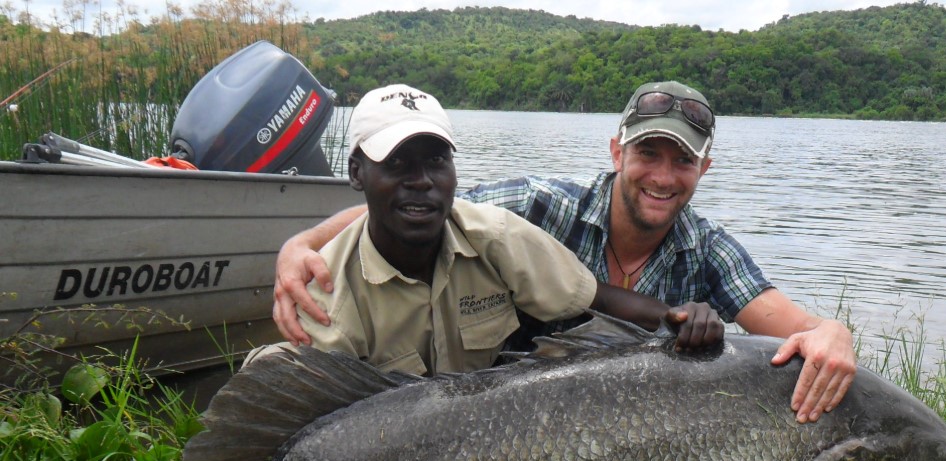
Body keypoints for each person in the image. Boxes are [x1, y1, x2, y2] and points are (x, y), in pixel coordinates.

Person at [274, 81, 856, 422]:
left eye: (682, 161)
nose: (663, 175)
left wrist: (834, 332)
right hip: (509, 422)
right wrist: (301, 243)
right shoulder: (533, 207)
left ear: (704, 169)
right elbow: (418, 206)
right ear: (615, 151)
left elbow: (794, 330)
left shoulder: (708, 248)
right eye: (648, 153)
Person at [262, 83, 722, 375]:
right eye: (397, 163)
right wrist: (300, 245)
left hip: (482, 431)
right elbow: (326, 414)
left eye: (436, 161)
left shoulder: (495, 232)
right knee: (269, 366)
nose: (421, 181)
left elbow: (595, 298)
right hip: (385, 444)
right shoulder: (325, 294)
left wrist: (677, 320)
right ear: (358, 173)